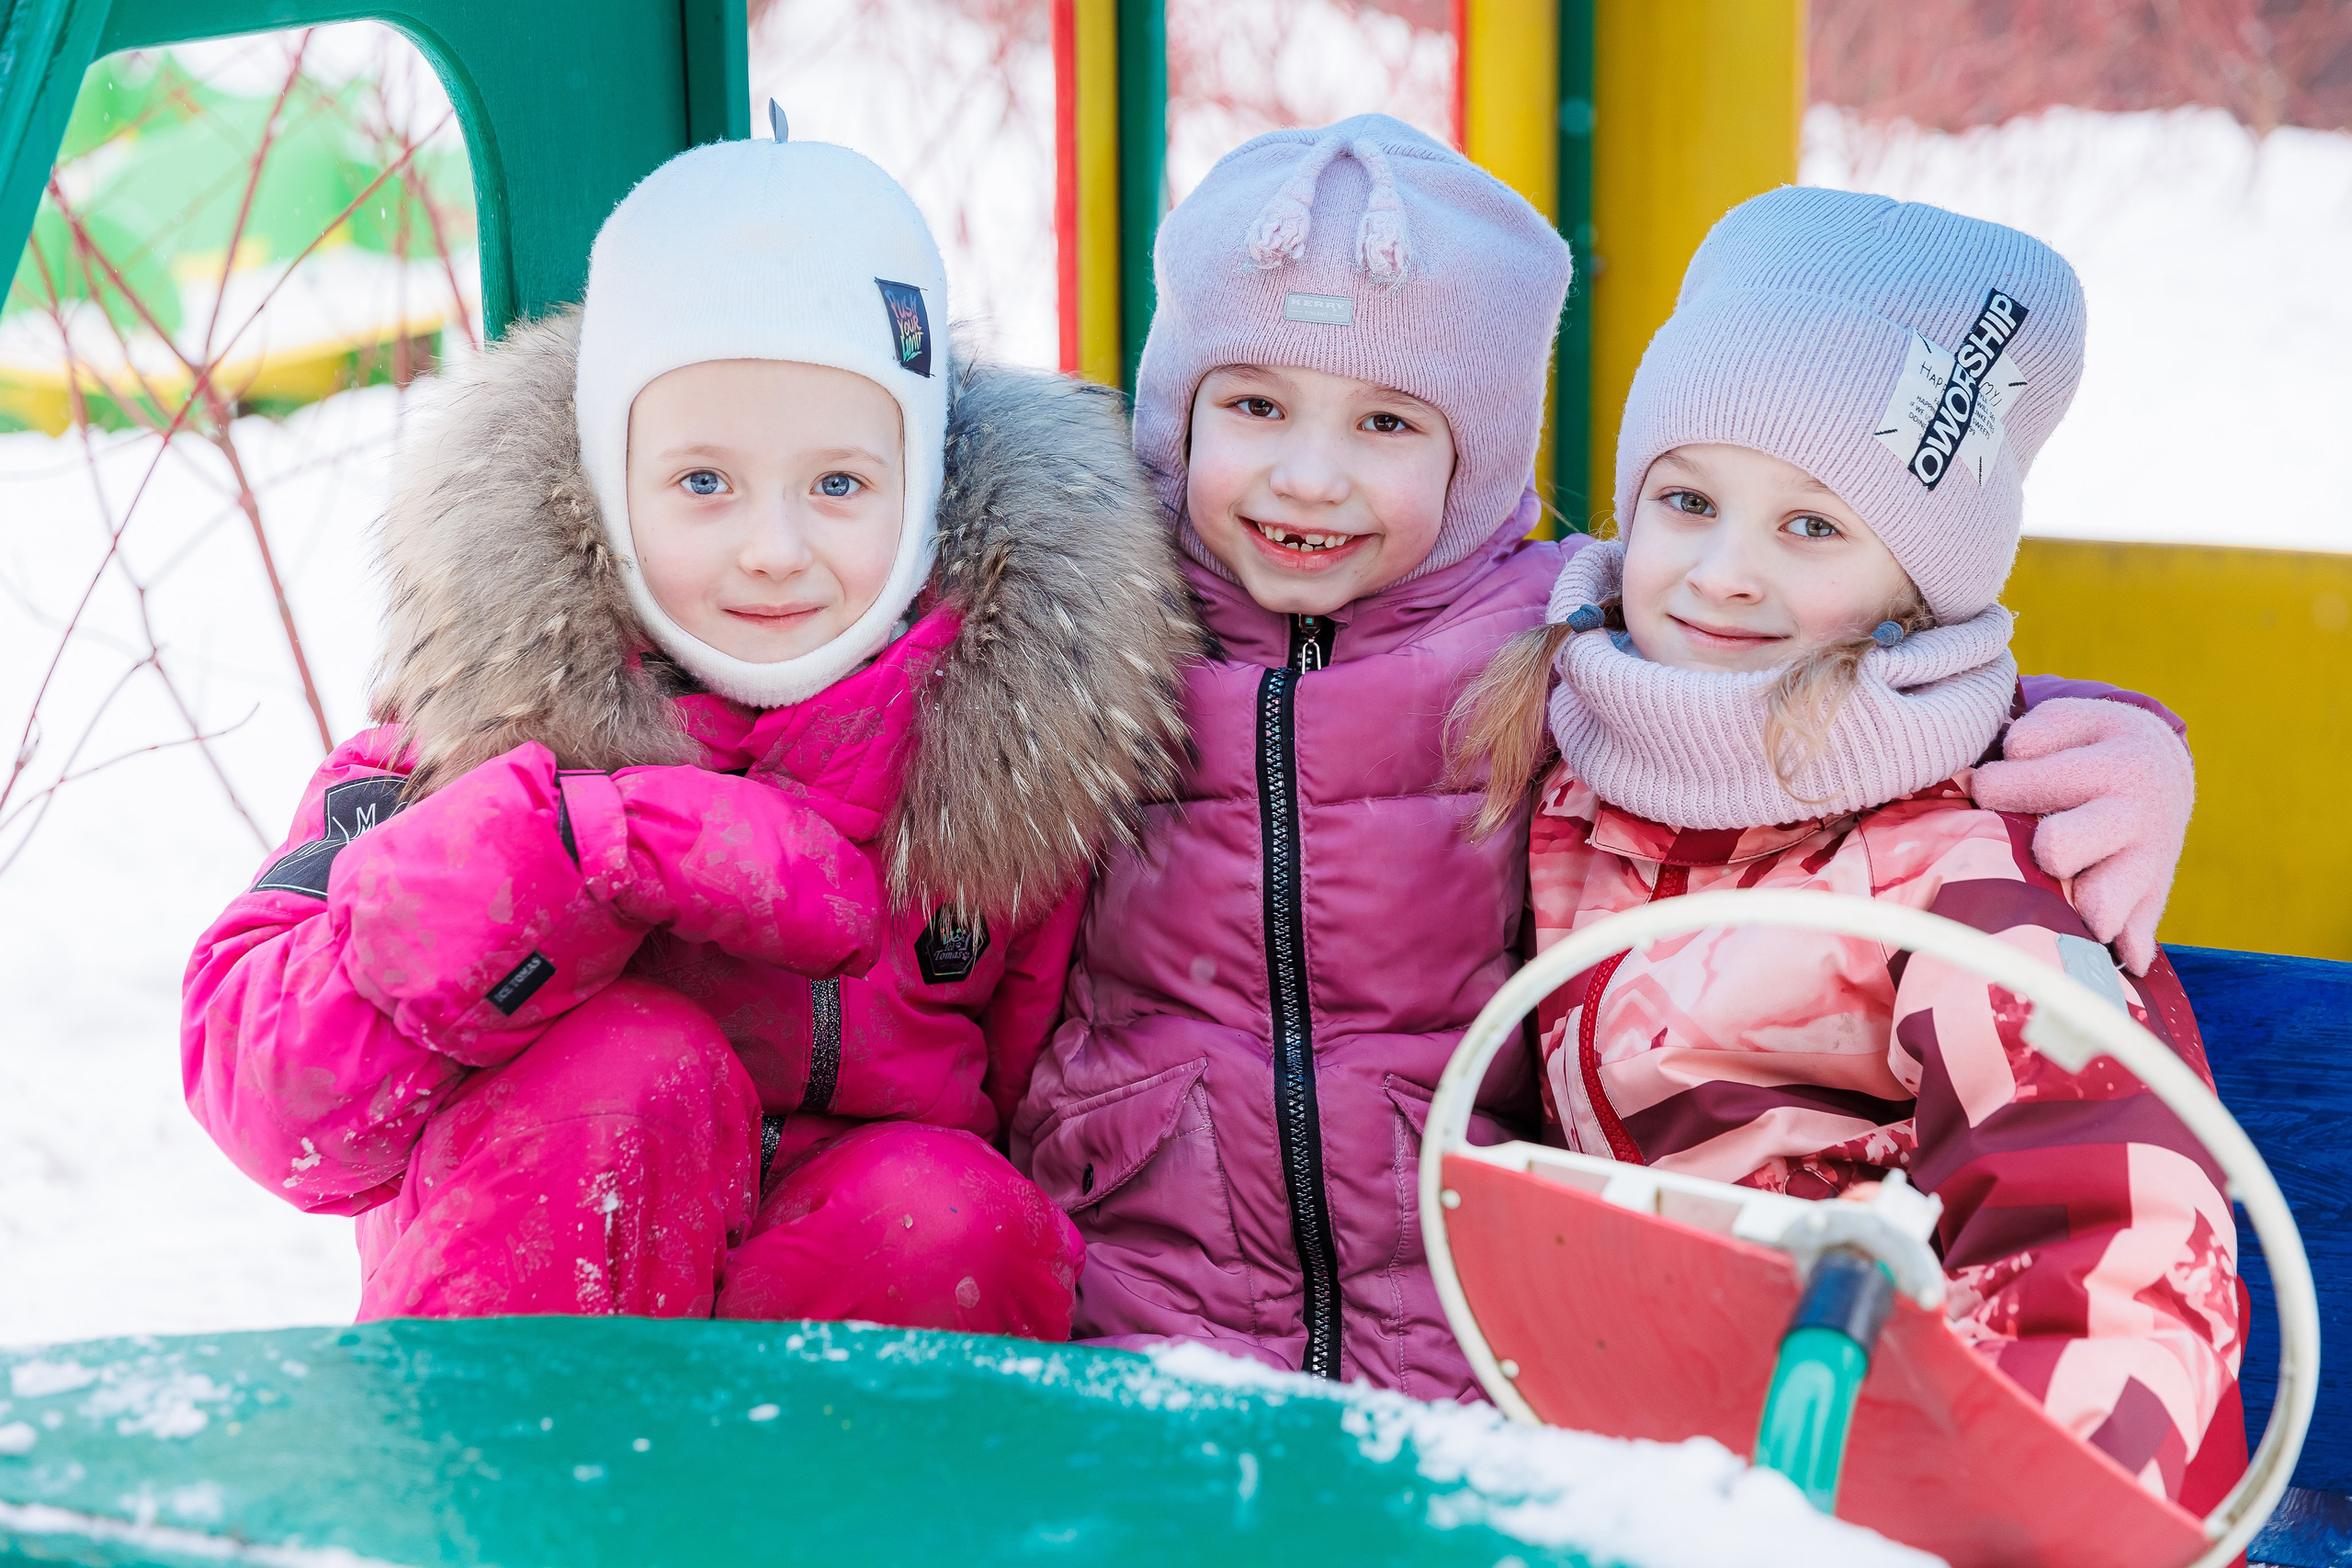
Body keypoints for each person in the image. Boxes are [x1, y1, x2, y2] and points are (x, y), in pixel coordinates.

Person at [1016, 115, 2203, 1402]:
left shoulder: (1549, 649)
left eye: (1387, 425)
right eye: (1253, 405)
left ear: (1476, 459)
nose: (1311, 478)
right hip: (1135, 1304)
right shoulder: (1089, 622)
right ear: (1171, 411)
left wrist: (2111, 738)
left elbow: (1857, 699)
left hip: (1466, 1342)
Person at [180, 132, 1193, 1335]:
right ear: (609, 483)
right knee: (627, 1070)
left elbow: (1072, 1098)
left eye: (838, 486)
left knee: (949, 1209)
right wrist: (571, 849)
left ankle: (847, 1525)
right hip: (545, 1352)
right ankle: (530, 1507)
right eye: (704, 483)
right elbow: (274, 1102)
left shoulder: (1004, 757)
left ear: (923, 490)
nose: (772, 547)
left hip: (832, 1376)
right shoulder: (476, 719)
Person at [1453, 186, 2239, 1504]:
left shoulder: (1961, 878)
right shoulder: (1570, 764)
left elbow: (2111, 1230)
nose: (1725, 574)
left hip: (1898, 1482)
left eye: (1811, 526)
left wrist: (2024, 1511)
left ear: (1916, 589)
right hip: (1640, 1455)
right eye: (1689, 500)